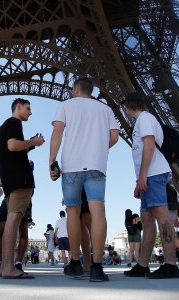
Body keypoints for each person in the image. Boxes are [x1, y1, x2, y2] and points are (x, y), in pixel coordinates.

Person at [49, 77, 120, 282]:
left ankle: (74, 263)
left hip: (71, 166)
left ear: (76, 89)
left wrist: (52, 161)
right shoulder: (105, 109)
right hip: (96, 165)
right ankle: (97, 267)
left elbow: (57, 132)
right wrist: (97, 149)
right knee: (98, 210)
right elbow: (114, 137)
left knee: (73, 211)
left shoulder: (66, 105)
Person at [122, 92, 179, 279]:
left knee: (162, 217)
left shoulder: (145, 118)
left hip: (153, 174)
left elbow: (149, 146)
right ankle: (142, 265)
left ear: (129, 105)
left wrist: (143, 176)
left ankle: (171, 264)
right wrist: (139, 179)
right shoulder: (141, 121)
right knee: (146, 220)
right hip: (148, 175)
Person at [0, 98, 44, 279]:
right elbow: (13, 145)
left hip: (10, 180)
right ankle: (8, 267)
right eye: (28, 108)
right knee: (14, 220)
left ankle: (4, 266)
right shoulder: (14, 122)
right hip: (20, 180)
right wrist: (35, 142)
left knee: (11, 220)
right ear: (18, 107)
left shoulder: (4, 126)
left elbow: (11, 150)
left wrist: (30, 143)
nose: (31, 112)